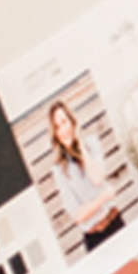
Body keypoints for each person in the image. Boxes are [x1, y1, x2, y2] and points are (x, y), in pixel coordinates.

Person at [45, 98, 125, 252]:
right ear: (55, 133)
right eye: (57, 126)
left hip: (114, 222)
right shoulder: (59, 170)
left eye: (64, 121)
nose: (63, 129)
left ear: (72, 121)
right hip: (95, 238)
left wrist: (81, 146)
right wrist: (104, 197)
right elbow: (78, 215)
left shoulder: (91, 144)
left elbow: (97, 179)